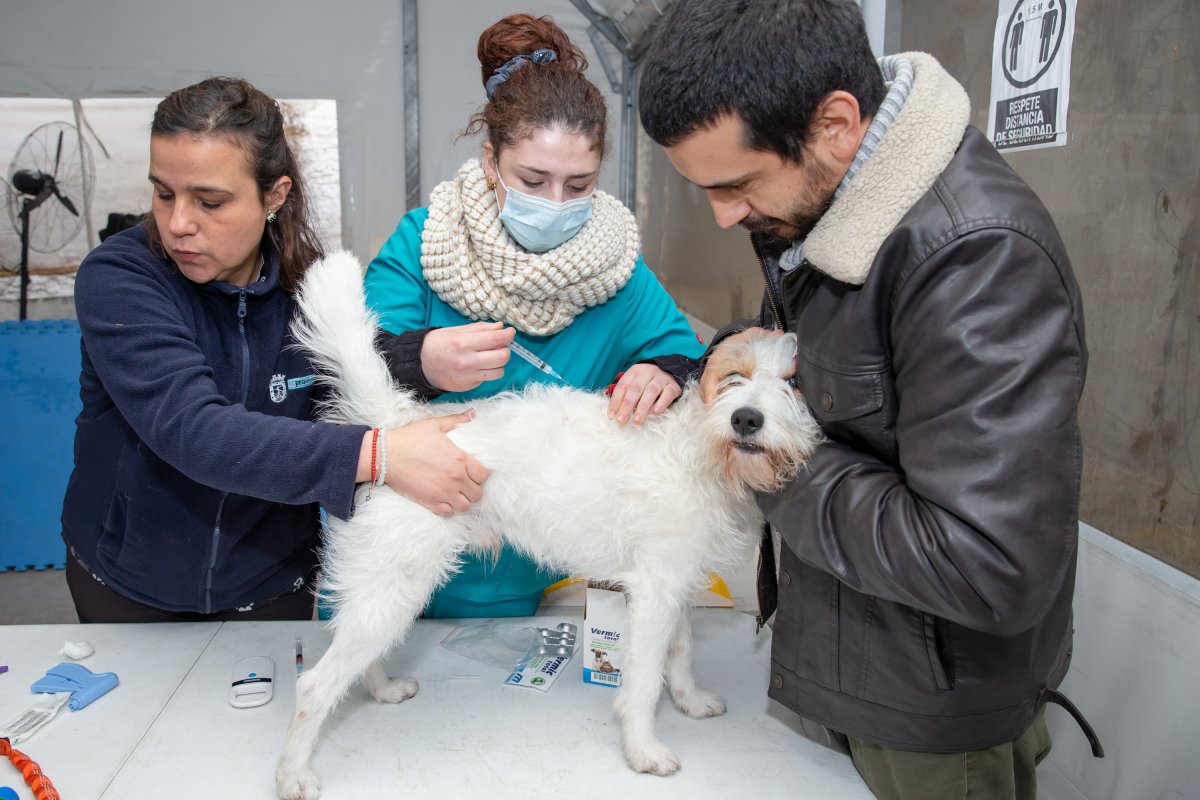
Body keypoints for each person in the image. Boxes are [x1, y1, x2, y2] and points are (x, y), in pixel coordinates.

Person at [637, 1, 1100, 798]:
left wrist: (775, 457)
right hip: (849, 654)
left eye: (737, 184)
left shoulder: (977, 260)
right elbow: (842, 358)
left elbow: (991, 565)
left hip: (931, 718)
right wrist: (737, 355)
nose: (724, 215)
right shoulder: (828, 202)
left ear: (837, 123)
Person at [62, 77, 489, 623]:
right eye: (164, 193)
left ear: (275, 195)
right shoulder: (120, 277)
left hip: (270, 580)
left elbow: (351, 362)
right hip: (129, 580)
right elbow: (194, 430)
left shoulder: (306, 280)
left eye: (209, 201)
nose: (177, 224)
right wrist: (378, 455)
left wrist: (423, 359)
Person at [365, 13, 705, 618]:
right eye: (533, 179)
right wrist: (419, 360)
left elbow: (681, 353)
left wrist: (665, 374)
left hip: (523, 566)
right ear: (492, 160)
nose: (555, 204)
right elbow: (346, 372)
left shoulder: (616, 271)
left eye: (579, 185)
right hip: (398, 543)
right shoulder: (423, 243)